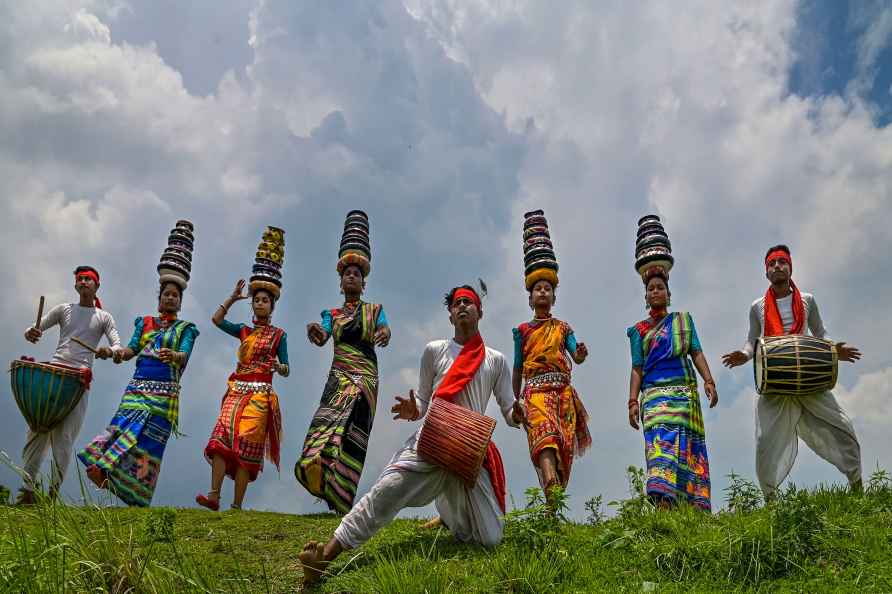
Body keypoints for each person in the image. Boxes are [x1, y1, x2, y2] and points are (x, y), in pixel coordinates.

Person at [298, 285, 525, 586]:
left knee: (490, 539)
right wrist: (412, 409)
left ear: (480, 312)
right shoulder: (434, 351)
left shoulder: (495, 360)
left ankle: (448, 514)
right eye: (457, 303)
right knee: (386, 490)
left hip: (470, 451)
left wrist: (517, 414)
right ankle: (324, 557)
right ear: (450, 314)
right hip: (433, 438)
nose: (462, 307)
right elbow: (422, 400)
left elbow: (509, 410)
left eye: (468, 302)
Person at [722, 245, 862, 497]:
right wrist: (743, 355)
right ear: (766, 272)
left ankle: (857, 486)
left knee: (842, 428)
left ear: (790, 267)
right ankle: (771, 501)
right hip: (775, 380)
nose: (777, 266)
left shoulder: (808, 300)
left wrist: (833, 350)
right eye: (772, 263)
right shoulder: (757, 307)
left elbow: (821, 333)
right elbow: (752, 341)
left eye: (781, 262)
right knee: (765, 444)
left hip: (808, 375)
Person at [297, 210, 390, 513]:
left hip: (366, 379)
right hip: (339, 378)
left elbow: (384, 330)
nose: (352, 276)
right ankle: (319, 476)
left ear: (364, 282)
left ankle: (339, 498)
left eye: (357, 273)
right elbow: (322, 335)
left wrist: (384, 333)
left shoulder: (375, 310)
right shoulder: (331, 315)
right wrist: (314, 331)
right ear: (340, 282)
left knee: (351, 435)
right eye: (347, 273)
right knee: (326, 428)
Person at [78, 281, 199, 506]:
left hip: (165, 395)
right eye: (167, 294)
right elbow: (131, 350)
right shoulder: (144, 323)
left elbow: (184, 354)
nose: (171, 298)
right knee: (123, 426)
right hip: (138, 387)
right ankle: (102, 468)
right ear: (159, 298)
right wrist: (112, 352)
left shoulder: (186, 329)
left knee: (148, 443)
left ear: (180, 302)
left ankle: (135, 495)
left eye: (175, 295)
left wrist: (173, 355)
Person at [627, 215, 717, 510]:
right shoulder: (638, 331)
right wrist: (632, 402)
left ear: (668, 293)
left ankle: (688, 507)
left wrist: (708, 380)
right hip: (653, 397)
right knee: (660, 448)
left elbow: (697, 352)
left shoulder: (683, 322)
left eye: (659, 287)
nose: (655, 291)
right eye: (650, 288)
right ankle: (663, 502)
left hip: (683, 396)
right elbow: (637, 367)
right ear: (645, 295)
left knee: (686, 448)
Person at [17, 266, 121, 504]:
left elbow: (117, 344)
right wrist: (31, 333)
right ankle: (27, 491)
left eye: (88, 279)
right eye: (80, 279)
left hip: (78, 382)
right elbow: (35, 327)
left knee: (64, 439)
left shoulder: (104, 317)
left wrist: (111, 351)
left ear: (96, 286)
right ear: (76, 285)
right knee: (37, 431)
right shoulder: (64, 309)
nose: (84, 282)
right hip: (54, 376)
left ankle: (52, 494)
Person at [513, 209, 590, 507]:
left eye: (547, 289)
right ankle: (549, 488)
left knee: (562, 448)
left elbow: (576, 356)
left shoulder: (563, 328)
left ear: (554, 297)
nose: (542, 292)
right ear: (530, 298)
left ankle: (552, 506)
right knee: (544, 441)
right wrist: (514, 399)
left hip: (562, 395)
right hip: (534, 395)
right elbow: (518, 367)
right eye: (537, 289)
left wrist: (580, 354)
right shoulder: (522, 331)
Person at [196, 279, 289, 511]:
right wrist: (232, 298)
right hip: (237, 391)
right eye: (256, 300)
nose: (259, 304)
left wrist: (279, 367)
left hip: (260, 396)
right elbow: (217, 320)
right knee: (221, 438)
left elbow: (287, 368)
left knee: (247, 447)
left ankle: (237, 505)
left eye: (264, 301)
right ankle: (214, 496)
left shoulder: (279, 336)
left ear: (272, 306)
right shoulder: (244, 331)